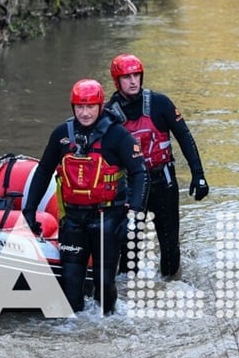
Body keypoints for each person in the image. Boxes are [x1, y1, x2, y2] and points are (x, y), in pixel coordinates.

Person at [23, 78, 148, 314]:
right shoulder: (62, 134)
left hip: (108, 218)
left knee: (104, 282)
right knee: (70, 281)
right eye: (80, 107)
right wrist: (29, 210)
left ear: (100, 106)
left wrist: (135, 212)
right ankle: (73, 330)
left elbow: (140, 172)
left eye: (90, 106)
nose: (85, 112)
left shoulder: (118, 136)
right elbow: (43, 172)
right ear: (73, 107)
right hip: (73, 218)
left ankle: (107, 324)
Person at [105, 54, 208, 280]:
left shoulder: (161, 104)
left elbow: (184, 137)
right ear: (116, 81)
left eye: (136, 75)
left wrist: (198, 175)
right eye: (126, 77)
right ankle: (126, 297)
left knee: (170, 246)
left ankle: (171, 286)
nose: (133, 81)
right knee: (129, 246)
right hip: (132, 187)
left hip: (164, 182)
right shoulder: (108, 115)